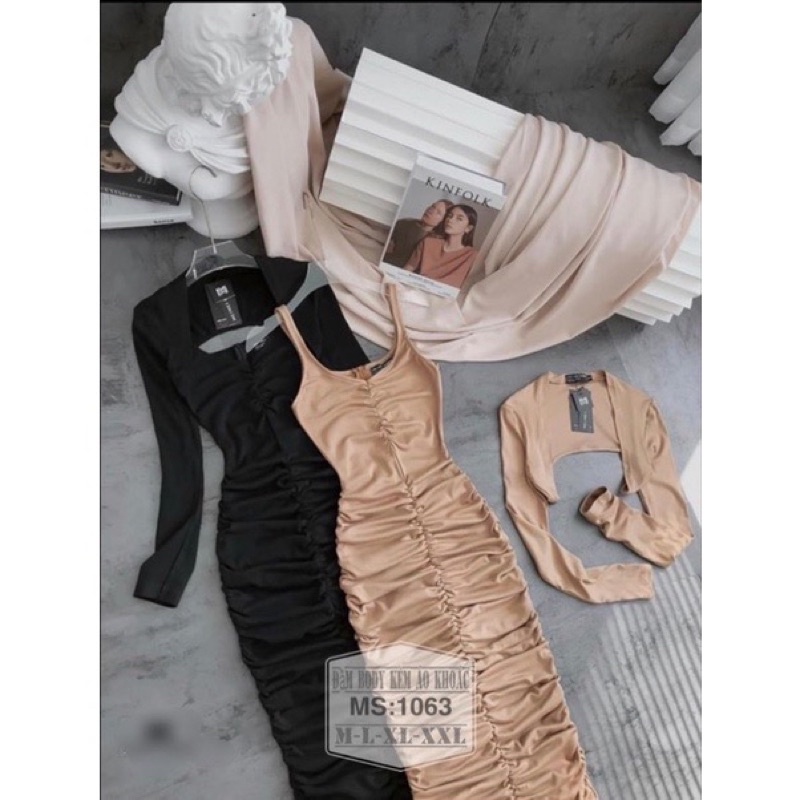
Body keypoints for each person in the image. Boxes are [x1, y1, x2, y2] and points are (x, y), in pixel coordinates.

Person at [403, 203, 478, 288]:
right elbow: (408, 268)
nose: (450, 220)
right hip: (416, 288)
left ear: (468, 228)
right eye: (449, 216)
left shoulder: (472, 255)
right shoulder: (428, 243)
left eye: (459, 219)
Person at [384, 199, 452, 267]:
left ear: (443, 221)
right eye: (432, 206)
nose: (431, 210)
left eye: (438, 212)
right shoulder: (404, 223)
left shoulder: (437, 241)